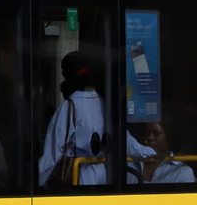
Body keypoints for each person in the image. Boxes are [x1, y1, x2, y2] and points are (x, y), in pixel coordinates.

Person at [39, 50, 156, 187]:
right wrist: (153, 153)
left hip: (77, 179)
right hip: (103, 177)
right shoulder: (105, 104)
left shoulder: (69, 107)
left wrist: (38, 183)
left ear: (66, 75)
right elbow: (127, 143)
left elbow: (52, 155)